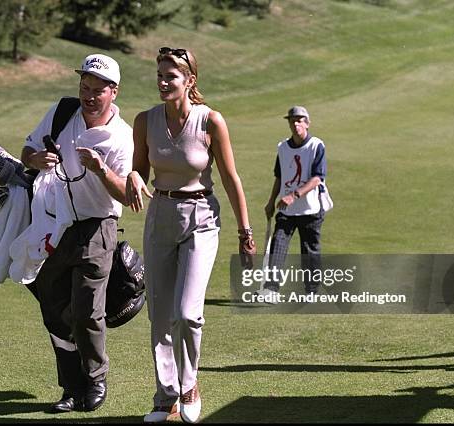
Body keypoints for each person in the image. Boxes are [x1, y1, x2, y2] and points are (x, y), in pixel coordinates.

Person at [126, 47, 256, 423]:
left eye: (172, 76)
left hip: (201, 216)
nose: (163, 82)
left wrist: (245, 232)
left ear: (190, 81)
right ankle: (166, 396)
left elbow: (231, 179)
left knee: (187, 314)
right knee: (160, 313)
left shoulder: (210, 121)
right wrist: (134, 175)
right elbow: (137, 169)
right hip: (160, 216)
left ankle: (189, 385)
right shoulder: (144, 121)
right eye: (160, 76)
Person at [20, 53, 133, 413]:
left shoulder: (121, 136)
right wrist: (34, 160)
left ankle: (95, 378)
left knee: (86, 309)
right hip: (53, 222)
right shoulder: (62, 111)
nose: (88, 95)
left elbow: (125, 195)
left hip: (97, 226)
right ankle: (71, 387)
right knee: (53, 307)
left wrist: (101, 170)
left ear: (113, 92)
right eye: (84, 87)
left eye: (97, 90)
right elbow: (27, 149)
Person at [260, 106, 328, 296]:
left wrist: (294, 195)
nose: (296, 123)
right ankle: (271, 289)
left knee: (309, 251)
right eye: (292, 120)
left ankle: (312, 291)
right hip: (286, 209)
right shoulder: (283, 147)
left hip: (311, 208)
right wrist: (271, 201)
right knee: (278, 245)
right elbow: (279, 177)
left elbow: (317, 179)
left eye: (300, 120)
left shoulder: (316, 145)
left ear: (307, 123)